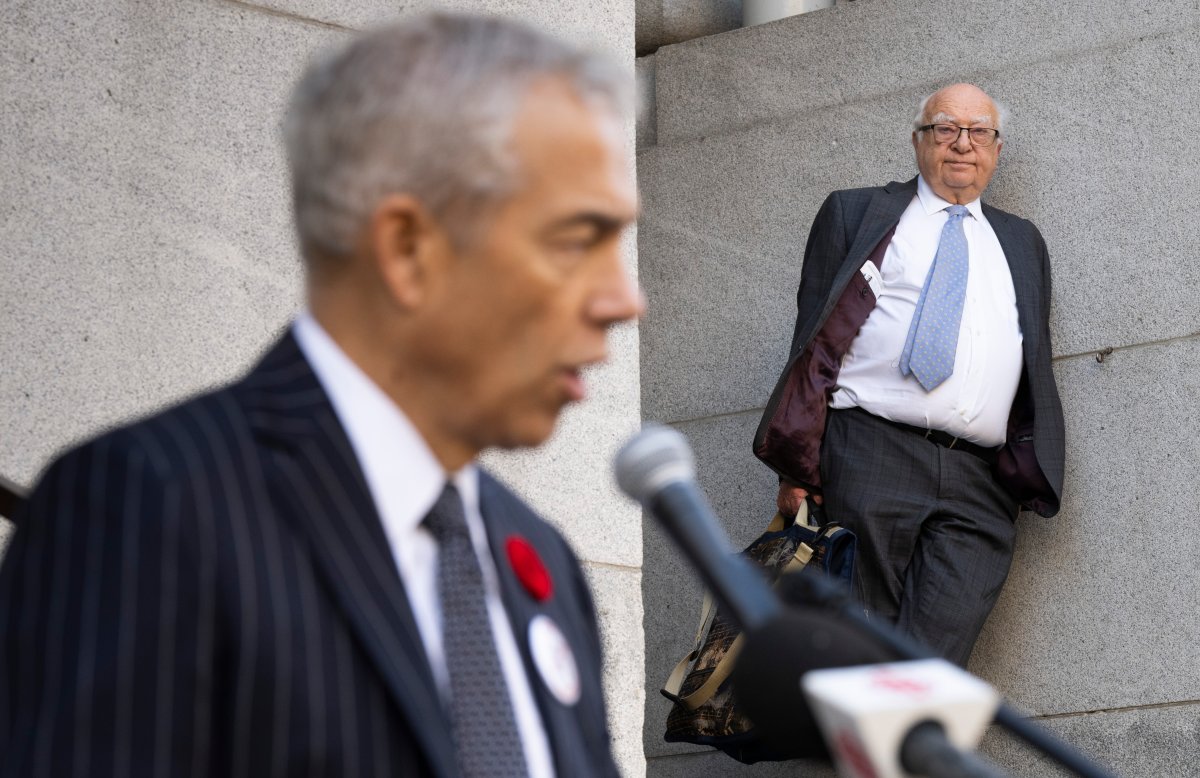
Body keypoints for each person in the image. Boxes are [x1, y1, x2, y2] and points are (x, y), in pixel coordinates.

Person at [0, 13, 641, 777]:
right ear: (408, 249)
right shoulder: (143, 506)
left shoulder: (539, 557)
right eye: (577, 240)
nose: (624, 300)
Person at [753, 83, 1064, 666]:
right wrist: (795, 464)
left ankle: (896, 747)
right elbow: (813, 340)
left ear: (996, 150)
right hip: (872, 451)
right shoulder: (857, 211)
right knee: (859, 643)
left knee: (936, 663)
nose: (962, 144)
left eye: (979, 132)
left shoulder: (1022, 241)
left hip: (981, 478)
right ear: (918, 141)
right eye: (945, 128)